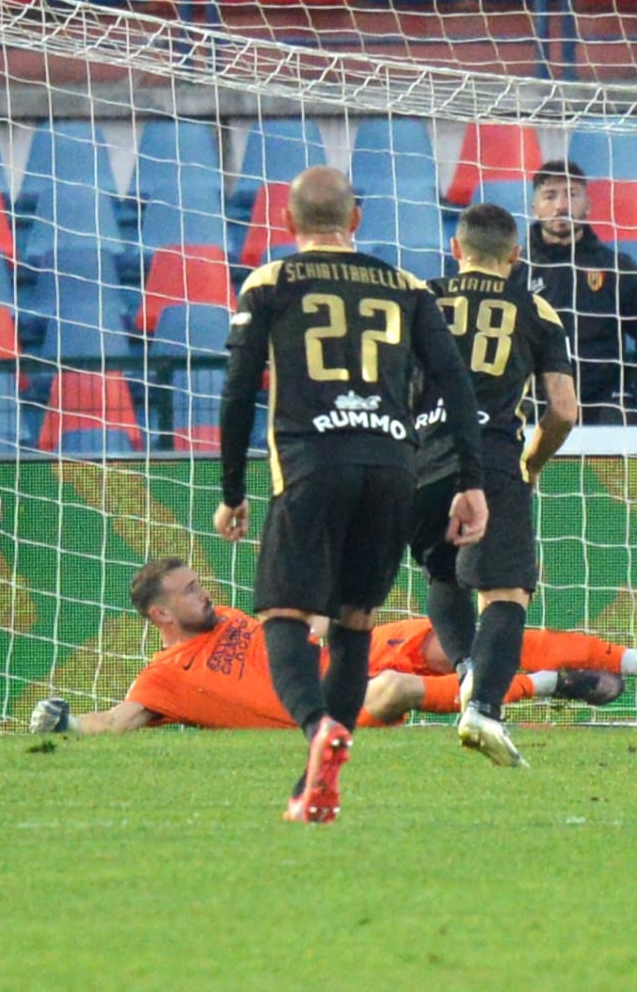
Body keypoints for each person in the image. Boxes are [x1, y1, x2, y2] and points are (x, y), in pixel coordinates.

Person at [213, 166, 488, 824]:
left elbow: (238, 390)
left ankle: (319, 728)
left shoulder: (270, 282)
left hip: (312, 465)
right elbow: (455, 382)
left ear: (287, 221)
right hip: (394, 469)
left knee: (283, 615)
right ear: (355, 220)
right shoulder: (407, 286)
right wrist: (471, 481)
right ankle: (314, 783)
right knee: (355, 622)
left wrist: (232, 490)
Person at [26, 559, 626, 735]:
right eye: (188, 592)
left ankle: (631, 661)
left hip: (343, 654)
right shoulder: (166, 678)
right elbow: (116, 722)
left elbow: (298, 633)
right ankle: (550, 685)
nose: (203, 594)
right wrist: (64, 722)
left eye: (198, 583)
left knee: (450, 641)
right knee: (394, 691)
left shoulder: (226, 617)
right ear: (160, 615)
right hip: (331, 706)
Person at [409, 202, 580, 767]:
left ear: (456, 249)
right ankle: (483, 707)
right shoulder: (535, 308)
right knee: (506, 592)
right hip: (491, 460)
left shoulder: (419, 298)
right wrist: (532, 461)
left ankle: (466, 671)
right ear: (516, 255)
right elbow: (563, 410)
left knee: (443, 572)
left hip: (423, 458)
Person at [525, 159, 637, 424]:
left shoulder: (616, 267)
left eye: (571, 194)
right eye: (550, 196)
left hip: (603, 408)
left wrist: (627, 393)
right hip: (537, 407)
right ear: (535, 208)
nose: (561, 205)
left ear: (588, 204)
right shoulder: (517, 272)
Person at [369, 613, 637, 691]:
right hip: (346, 701)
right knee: (396, 691)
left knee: (459, 647)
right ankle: (550, 684)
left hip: (356, 651)